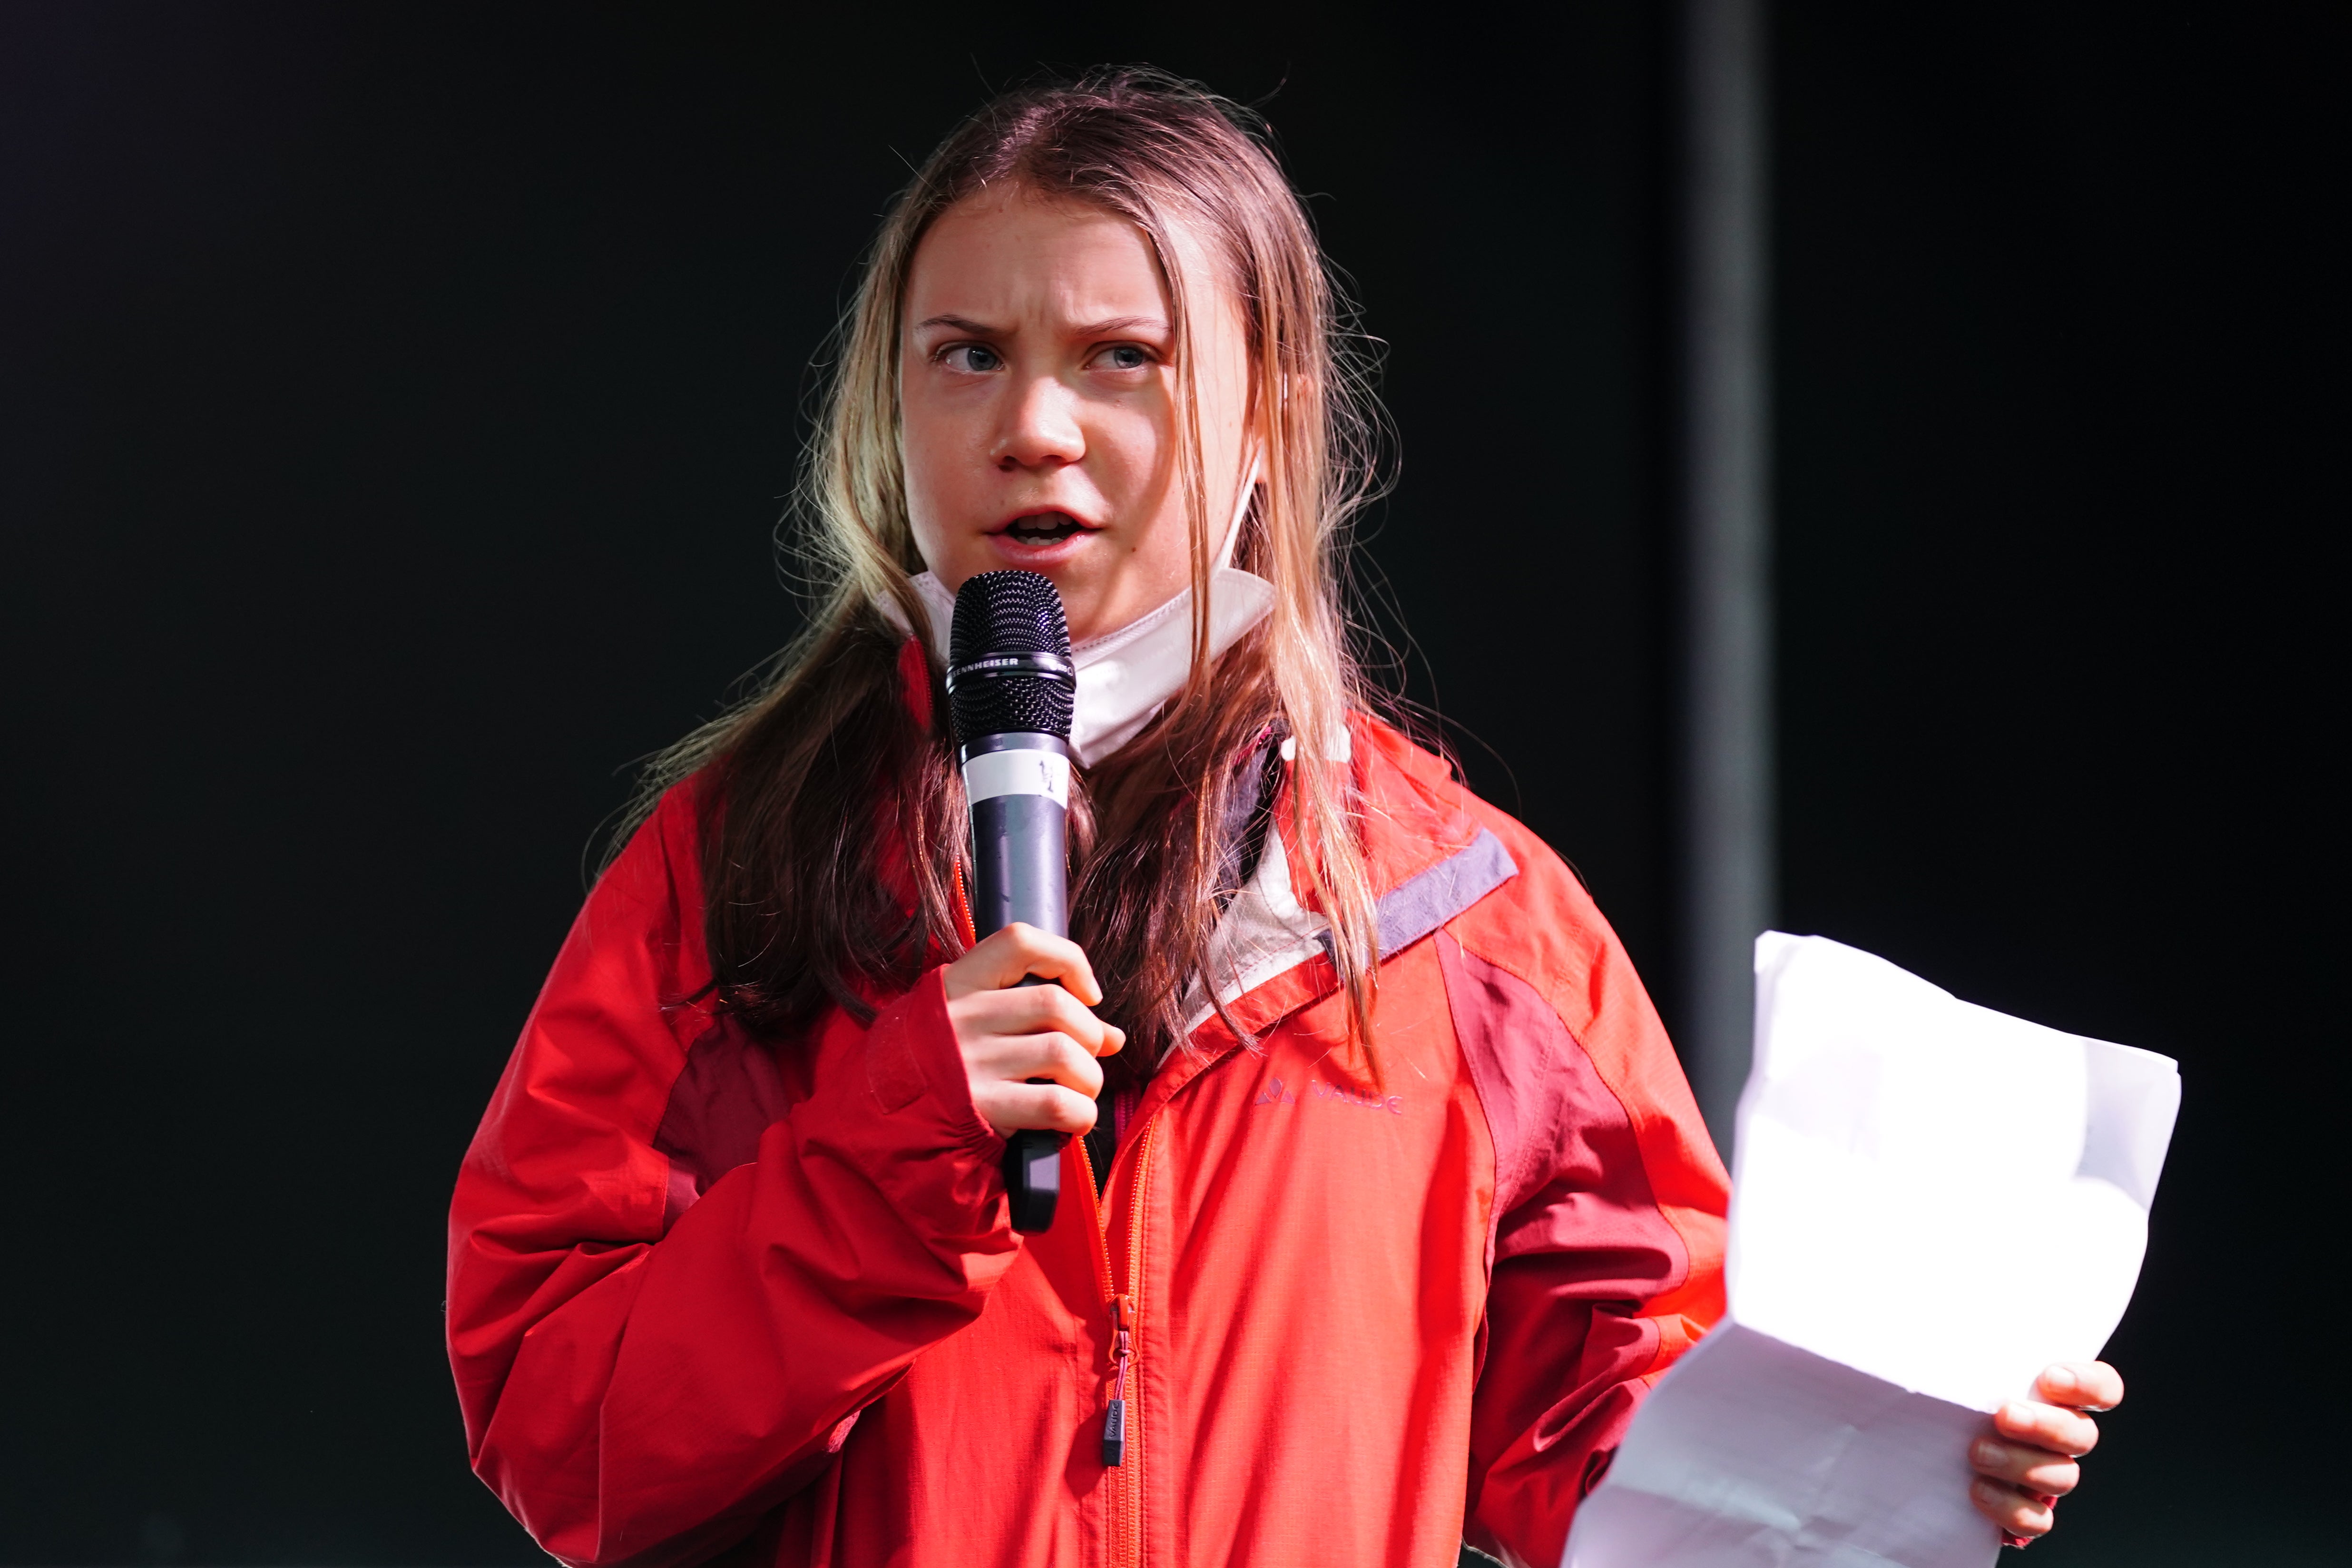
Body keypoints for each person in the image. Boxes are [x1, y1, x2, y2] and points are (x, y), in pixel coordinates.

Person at [444, 69, 2121, 1568]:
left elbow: (1627, 1459)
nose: (1033, 425)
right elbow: (558, 1436)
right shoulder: (725, 874)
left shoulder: (1467, 919)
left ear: (1273, 419)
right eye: (968, 356)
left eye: (1124, 359)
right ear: (895, 406)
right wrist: (896, 1153)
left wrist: (1902, 1456)